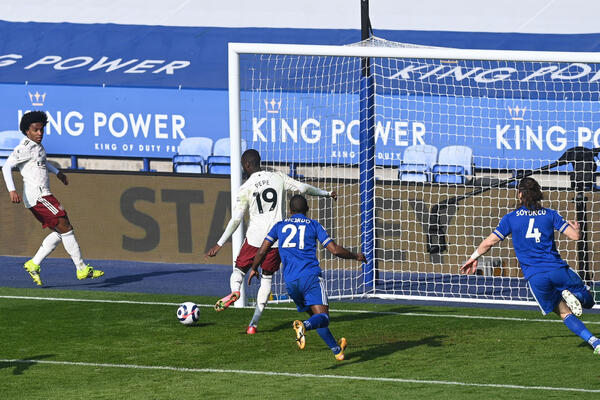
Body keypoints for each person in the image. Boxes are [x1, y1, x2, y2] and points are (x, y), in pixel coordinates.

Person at [460, 177, 599, 354]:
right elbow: (574, 236)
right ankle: (576, 295)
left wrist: (473, 258)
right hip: (557, 270)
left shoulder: (510, 218)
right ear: (538, 194)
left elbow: (489, 243)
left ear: (520, 195)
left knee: (564, 313)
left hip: (536, 277)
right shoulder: (550, 214)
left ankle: (595, 343)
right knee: (589, 302)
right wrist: (577, 230)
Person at [206, 149, 336, 334]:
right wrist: (326, 193)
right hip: (275, 239)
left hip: (255, 238)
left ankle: (235, 290)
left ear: (246, 165)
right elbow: (303, 188)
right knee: (266, 278)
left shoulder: (245, 187)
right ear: (259, 161)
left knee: (239, 270)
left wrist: (219, 243)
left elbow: (236, 220)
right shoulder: (278, 177)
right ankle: (253, 324)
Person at [248, 194, 366, 361]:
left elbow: (262, 250)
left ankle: (337, 351)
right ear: (308, 210)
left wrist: (254, 268)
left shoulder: (279, 226)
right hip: (310, 278)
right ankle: (303, 326)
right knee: (323, 318)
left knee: (316, 317)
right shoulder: (313, 225)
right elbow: (334, 250)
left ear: (290, 210)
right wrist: (356, 256)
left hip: (291, 283)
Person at [2, 111, 104, 286]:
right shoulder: (25, 147)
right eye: (35, 130)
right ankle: (81, 268)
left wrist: (58, 173)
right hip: (38, 196)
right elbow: (6, 167)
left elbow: (43, 162)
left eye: (41, 129)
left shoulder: (37, 147)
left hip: (43, 195)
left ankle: (34, 264)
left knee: (61, 231)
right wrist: (12, 190)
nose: (39, 133)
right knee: (65, 226)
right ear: (27, 131)